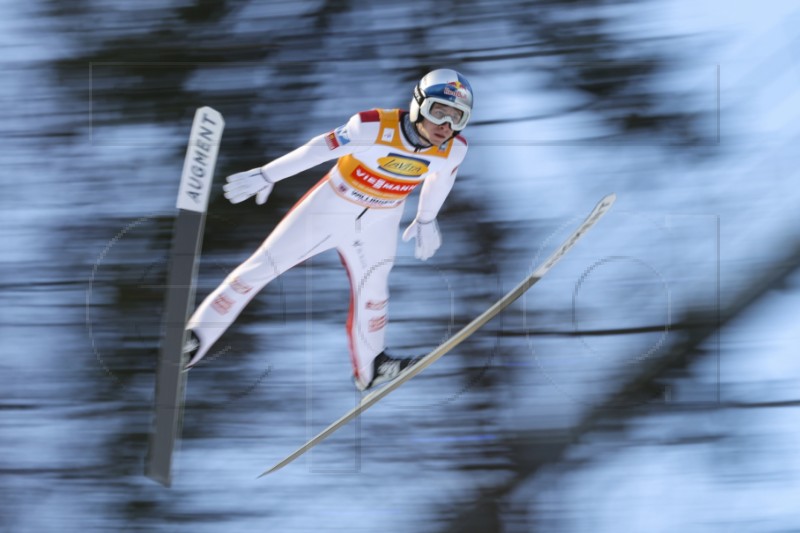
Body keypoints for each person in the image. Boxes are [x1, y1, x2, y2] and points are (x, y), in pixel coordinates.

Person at [183, 68, 473, 391]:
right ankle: (195, 338)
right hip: (329, 209)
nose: (445, 126)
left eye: (457, 118)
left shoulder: (453, 149)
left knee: (375, 292)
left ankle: (371, 367)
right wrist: (268, 175)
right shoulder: (372, 126)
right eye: (438, 112)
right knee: (260, 268)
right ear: (419, 104)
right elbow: (317, 149)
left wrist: (426, 218)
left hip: (380, 222)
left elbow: (441, 179)